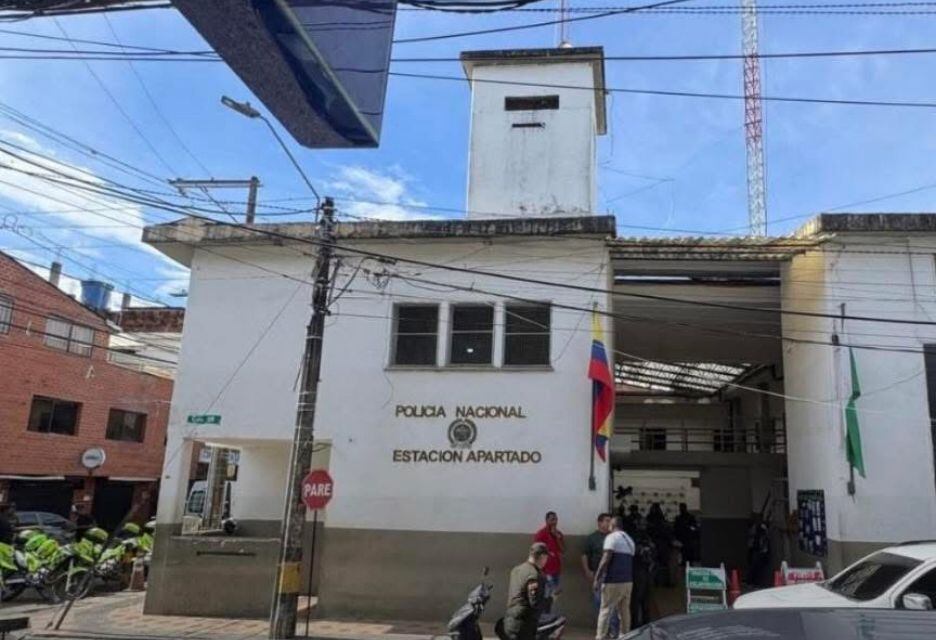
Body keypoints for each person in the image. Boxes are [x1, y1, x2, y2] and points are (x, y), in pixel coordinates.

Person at [593, 516, 635, 638]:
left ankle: (600, 637)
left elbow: (606, 559)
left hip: (613, 581)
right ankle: (625, 636)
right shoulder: (630, 540)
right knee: (624, 611)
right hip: (628, 582)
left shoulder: (611, 537)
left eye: (609, 524)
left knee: (605, 610)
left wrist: (597, 578)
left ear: (613, 525)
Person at [503, 542, 549, 640]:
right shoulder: (534, 575)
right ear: (542, 556)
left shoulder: (516, 570)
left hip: (509, 620)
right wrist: (550, 600)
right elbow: (535, 602)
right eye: (546, 558)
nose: (546, 561)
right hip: (524, 624)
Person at [581, 513, 618, 636]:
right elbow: (585, 555)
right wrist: (587, 571)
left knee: (612, 605)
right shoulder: (592, 538)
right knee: (599, 604)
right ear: (599, 522)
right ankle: (603, 631)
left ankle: (613, 631)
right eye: (607, 521)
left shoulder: (614, 537)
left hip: (612, 575)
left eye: (610, 521)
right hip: (598, 575)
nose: (609, 523)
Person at [533, 511, 565, 604]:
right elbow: (536, 552)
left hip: (556, 569)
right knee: (546, 593)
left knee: (552, 596)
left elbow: (563, 550)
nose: (554, 522)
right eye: (552, 519)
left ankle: (548, 614)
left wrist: (557, 537)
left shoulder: (559, 533)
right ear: (546, 520)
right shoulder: (541, 534)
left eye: (556, 519)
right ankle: (543, 615)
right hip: (545, 570)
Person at [746, 513, 770, 587]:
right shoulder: (759, 528)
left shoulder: (759, 527)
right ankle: (754, 582)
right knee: (756, 567)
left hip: (758, 549)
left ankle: (754, 582)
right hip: (758, 549)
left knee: (756, 567)